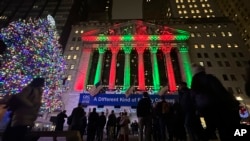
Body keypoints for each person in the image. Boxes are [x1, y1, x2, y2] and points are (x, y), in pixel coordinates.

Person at [191, 63, 241, 141]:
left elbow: (193, 98)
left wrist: (198, 109)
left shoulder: (193, 84)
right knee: (222, 127)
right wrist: (230, 101)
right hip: (216, 106)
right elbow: (220, 91)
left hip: (204, 109)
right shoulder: (209, 78)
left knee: (210, 128)